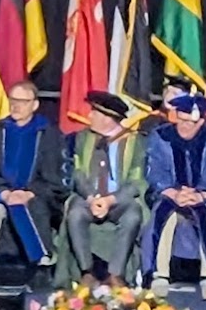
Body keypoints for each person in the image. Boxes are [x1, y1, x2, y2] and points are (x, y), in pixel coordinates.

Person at [0, 80, 63, 265]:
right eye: (13, 100)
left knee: (28, 207)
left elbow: (54, 179)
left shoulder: (49, 136)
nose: (16, 106)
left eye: (23, 101)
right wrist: (4, 192)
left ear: (35, 105)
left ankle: (40, 260)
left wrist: (28, 193)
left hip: (34, 195)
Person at [143, 93, 206, 301]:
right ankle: (159, 275)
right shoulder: (162, 137)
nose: (183, 126)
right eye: (180, 120)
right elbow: (154, 169)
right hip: (170, 194)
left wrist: (200, 194)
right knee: (163, 215)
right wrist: (173, 192)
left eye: (189, 122)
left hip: (202, 196)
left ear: (200, 122)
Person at [63, 90, 147, 286]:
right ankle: (87, 271)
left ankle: (115, 274)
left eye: (94, 112)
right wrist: (91, 198)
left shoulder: (135, 142)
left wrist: (110, 200)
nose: (89, 116)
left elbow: (136, 181)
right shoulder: (83, 139)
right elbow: (78, 174)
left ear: (108, 118)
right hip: (89, 199)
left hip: (119, 201)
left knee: (133, 215)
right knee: (75, 213)